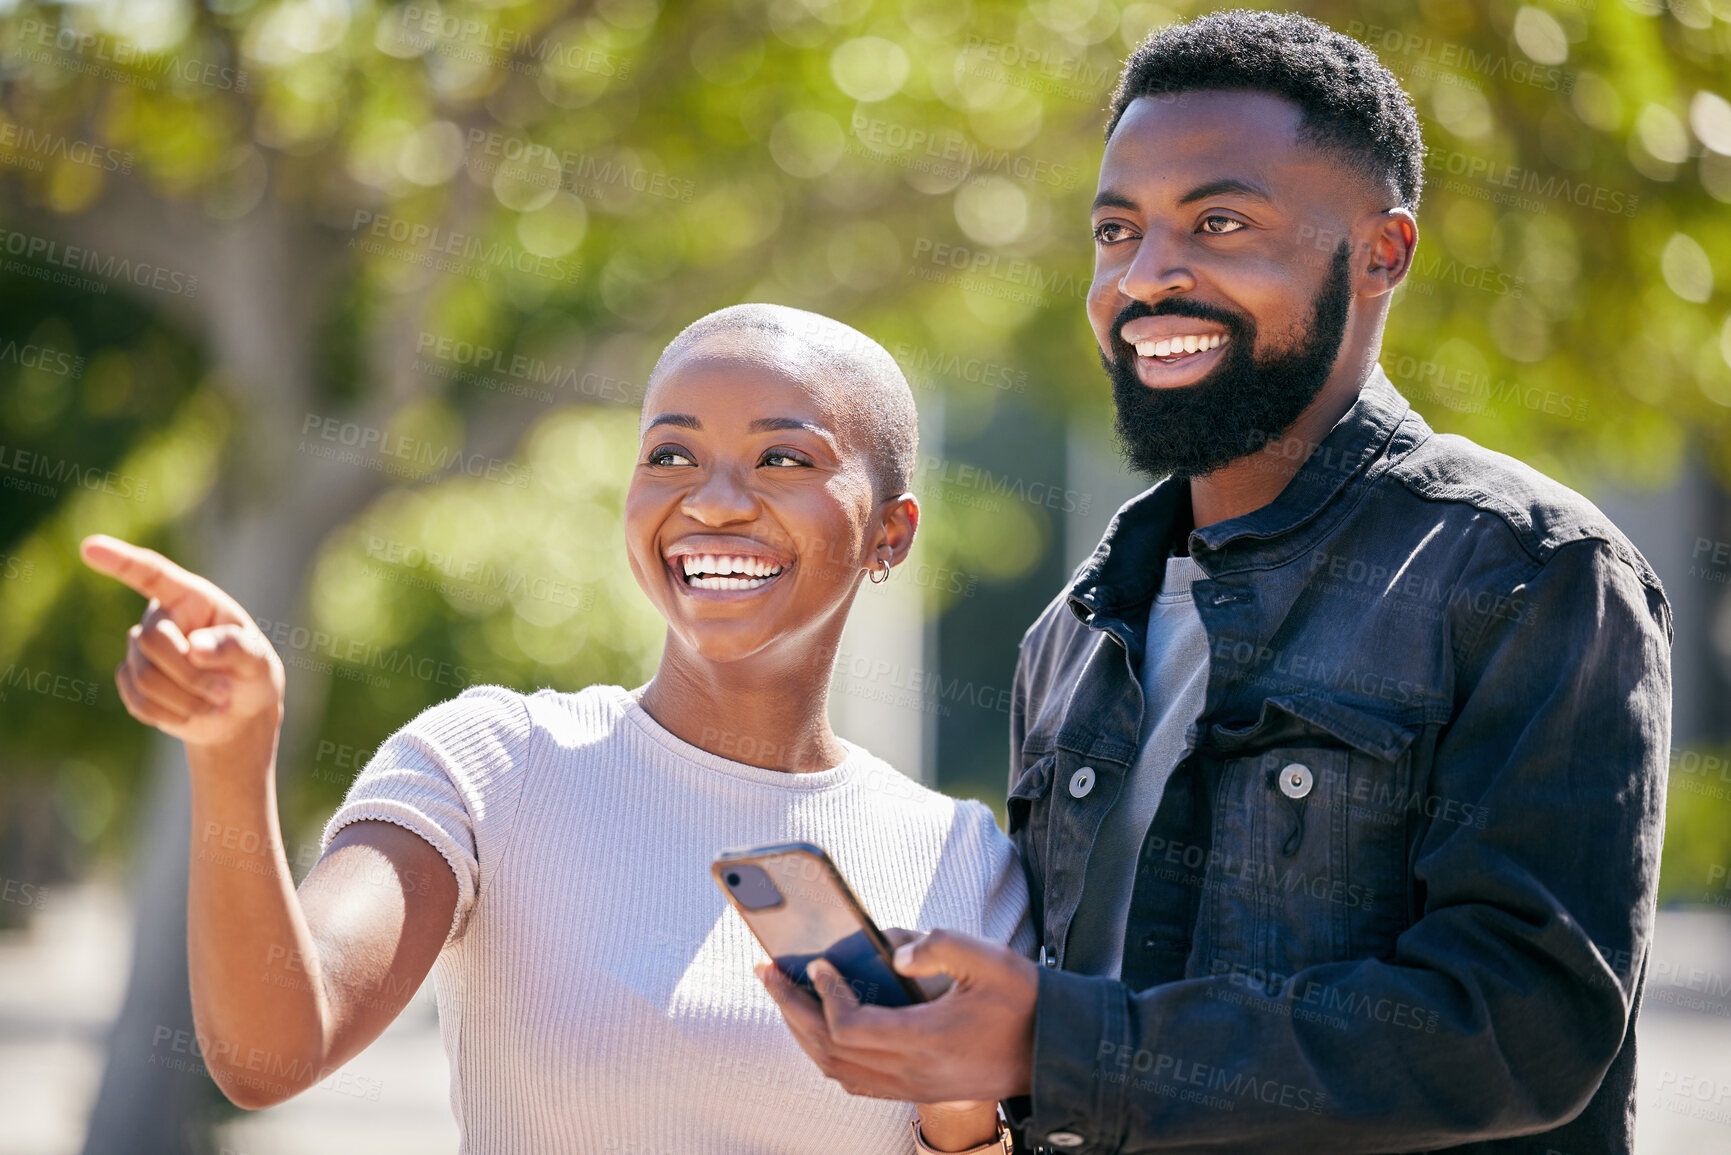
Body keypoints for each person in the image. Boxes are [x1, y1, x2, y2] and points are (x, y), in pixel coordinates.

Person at [758, 12, 1673, 1155]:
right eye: (1115, 230)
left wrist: (1059, 1041)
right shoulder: (1076, 632)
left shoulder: (1529, 573)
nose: (1146, 279)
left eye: (1221, 222)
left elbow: (1523, 1031)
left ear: (1382, 253)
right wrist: (958, 1061)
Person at [82, 303, 1032, 1155]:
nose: (712, 500)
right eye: (671, 455)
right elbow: (268, 1053)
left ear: (891, 533)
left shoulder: (964, 860)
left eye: (785, 458)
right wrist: (231, 757)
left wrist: (959, 1118)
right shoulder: (492, 763)